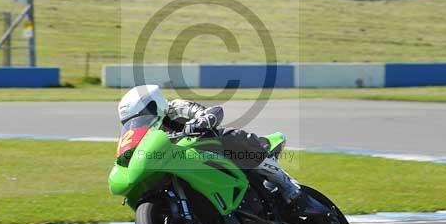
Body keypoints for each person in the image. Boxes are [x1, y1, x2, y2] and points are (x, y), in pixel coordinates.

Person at [117, 84, 307, 208]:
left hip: (207, 150)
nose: (140, 122)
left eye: (144, 113)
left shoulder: (175, 109)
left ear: (154, 103)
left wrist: (201, 121)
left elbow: (212, 112)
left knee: (229, 136)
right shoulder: (143, 134)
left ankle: (283, 182)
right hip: (181, 165)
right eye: (133, 120)